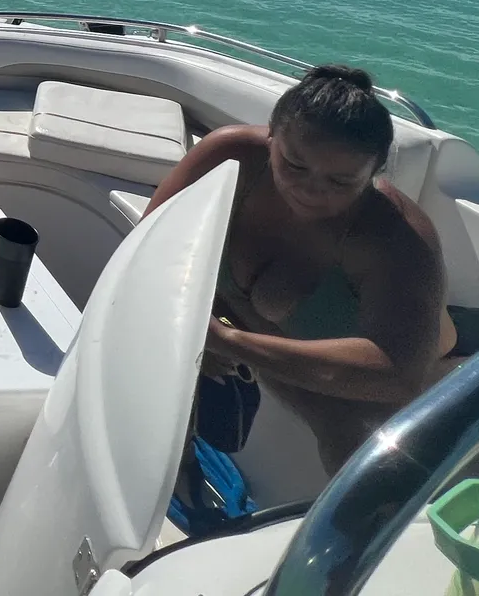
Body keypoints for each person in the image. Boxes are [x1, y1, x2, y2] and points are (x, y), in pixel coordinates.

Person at [146, 64, 456, 474]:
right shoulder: (230, 155)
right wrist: (209, 327)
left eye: (341, 181)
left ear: (374, 171)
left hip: (421, 357)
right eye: (294, 165)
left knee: (360, 437)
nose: (311, 189)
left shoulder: (394, 237)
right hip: (253, 328)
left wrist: (226, 340)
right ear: (271, 135)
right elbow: (149, 246)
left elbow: (398, 372)